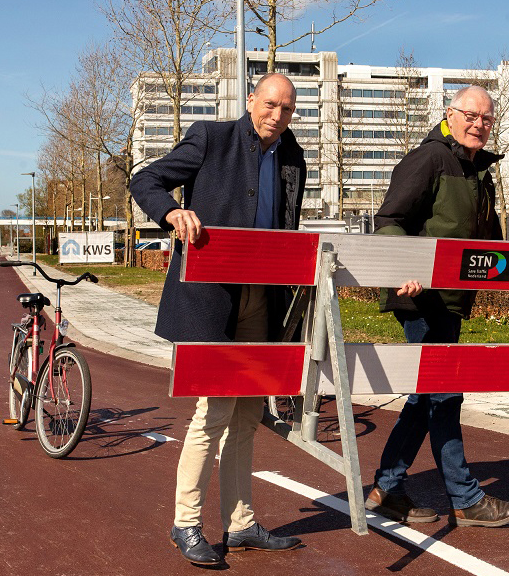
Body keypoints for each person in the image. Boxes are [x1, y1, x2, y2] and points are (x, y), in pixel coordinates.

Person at [129, 73, 306, 566]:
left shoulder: (293, 156)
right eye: (270, 104)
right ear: (251, 100)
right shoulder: (212, 137)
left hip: (263, 298)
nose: (277, 116)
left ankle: (242, 523)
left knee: (249, 414)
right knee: (215, 412)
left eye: (287, 109)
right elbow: (145, 179)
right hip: (212, 298)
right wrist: (171, 213)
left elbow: (286, 224)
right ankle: (186, 523)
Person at [365, 85, 509, 528]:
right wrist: (405, 270)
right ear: (449, 115)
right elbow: (390, 220)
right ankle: (467, 498)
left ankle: (388, 488)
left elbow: (487, 241)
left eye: (487, 119)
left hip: (451, 299)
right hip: (418, 297)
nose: (479, 124)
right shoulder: (429, 158)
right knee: (445, 391)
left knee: (424, 396)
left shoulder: (478, 170)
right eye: (471, 116)